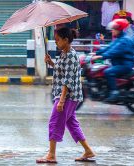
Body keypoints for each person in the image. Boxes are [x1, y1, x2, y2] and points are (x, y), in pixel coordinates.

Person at [36, 27, 95, 164]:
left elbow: (67, 81)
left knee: (54, 122)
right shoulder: (65, 52)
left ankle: (51, 155)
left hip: (67, 96)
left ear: (66, 40)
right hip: (69, 96)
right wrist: (51, 63)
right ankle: (88, 151)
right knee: (72, 123)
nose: (56, 42)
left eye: (57, 40)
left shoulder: (69, 56)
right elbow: (62, 71)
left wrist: (61, 101)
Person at [92, 19, 134, 102]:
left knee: (108, 72)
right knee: (103, 69)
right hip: (119, 63)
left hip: (125, 65)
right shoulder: (118, 39)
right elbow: (108, 48)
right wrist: (95, 53)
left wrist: (101, 57)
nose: (112, 31)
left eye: (113, 29)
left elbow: (113, 52)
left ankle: (114, 92)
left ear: (118, 30)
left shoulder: (124, 40)